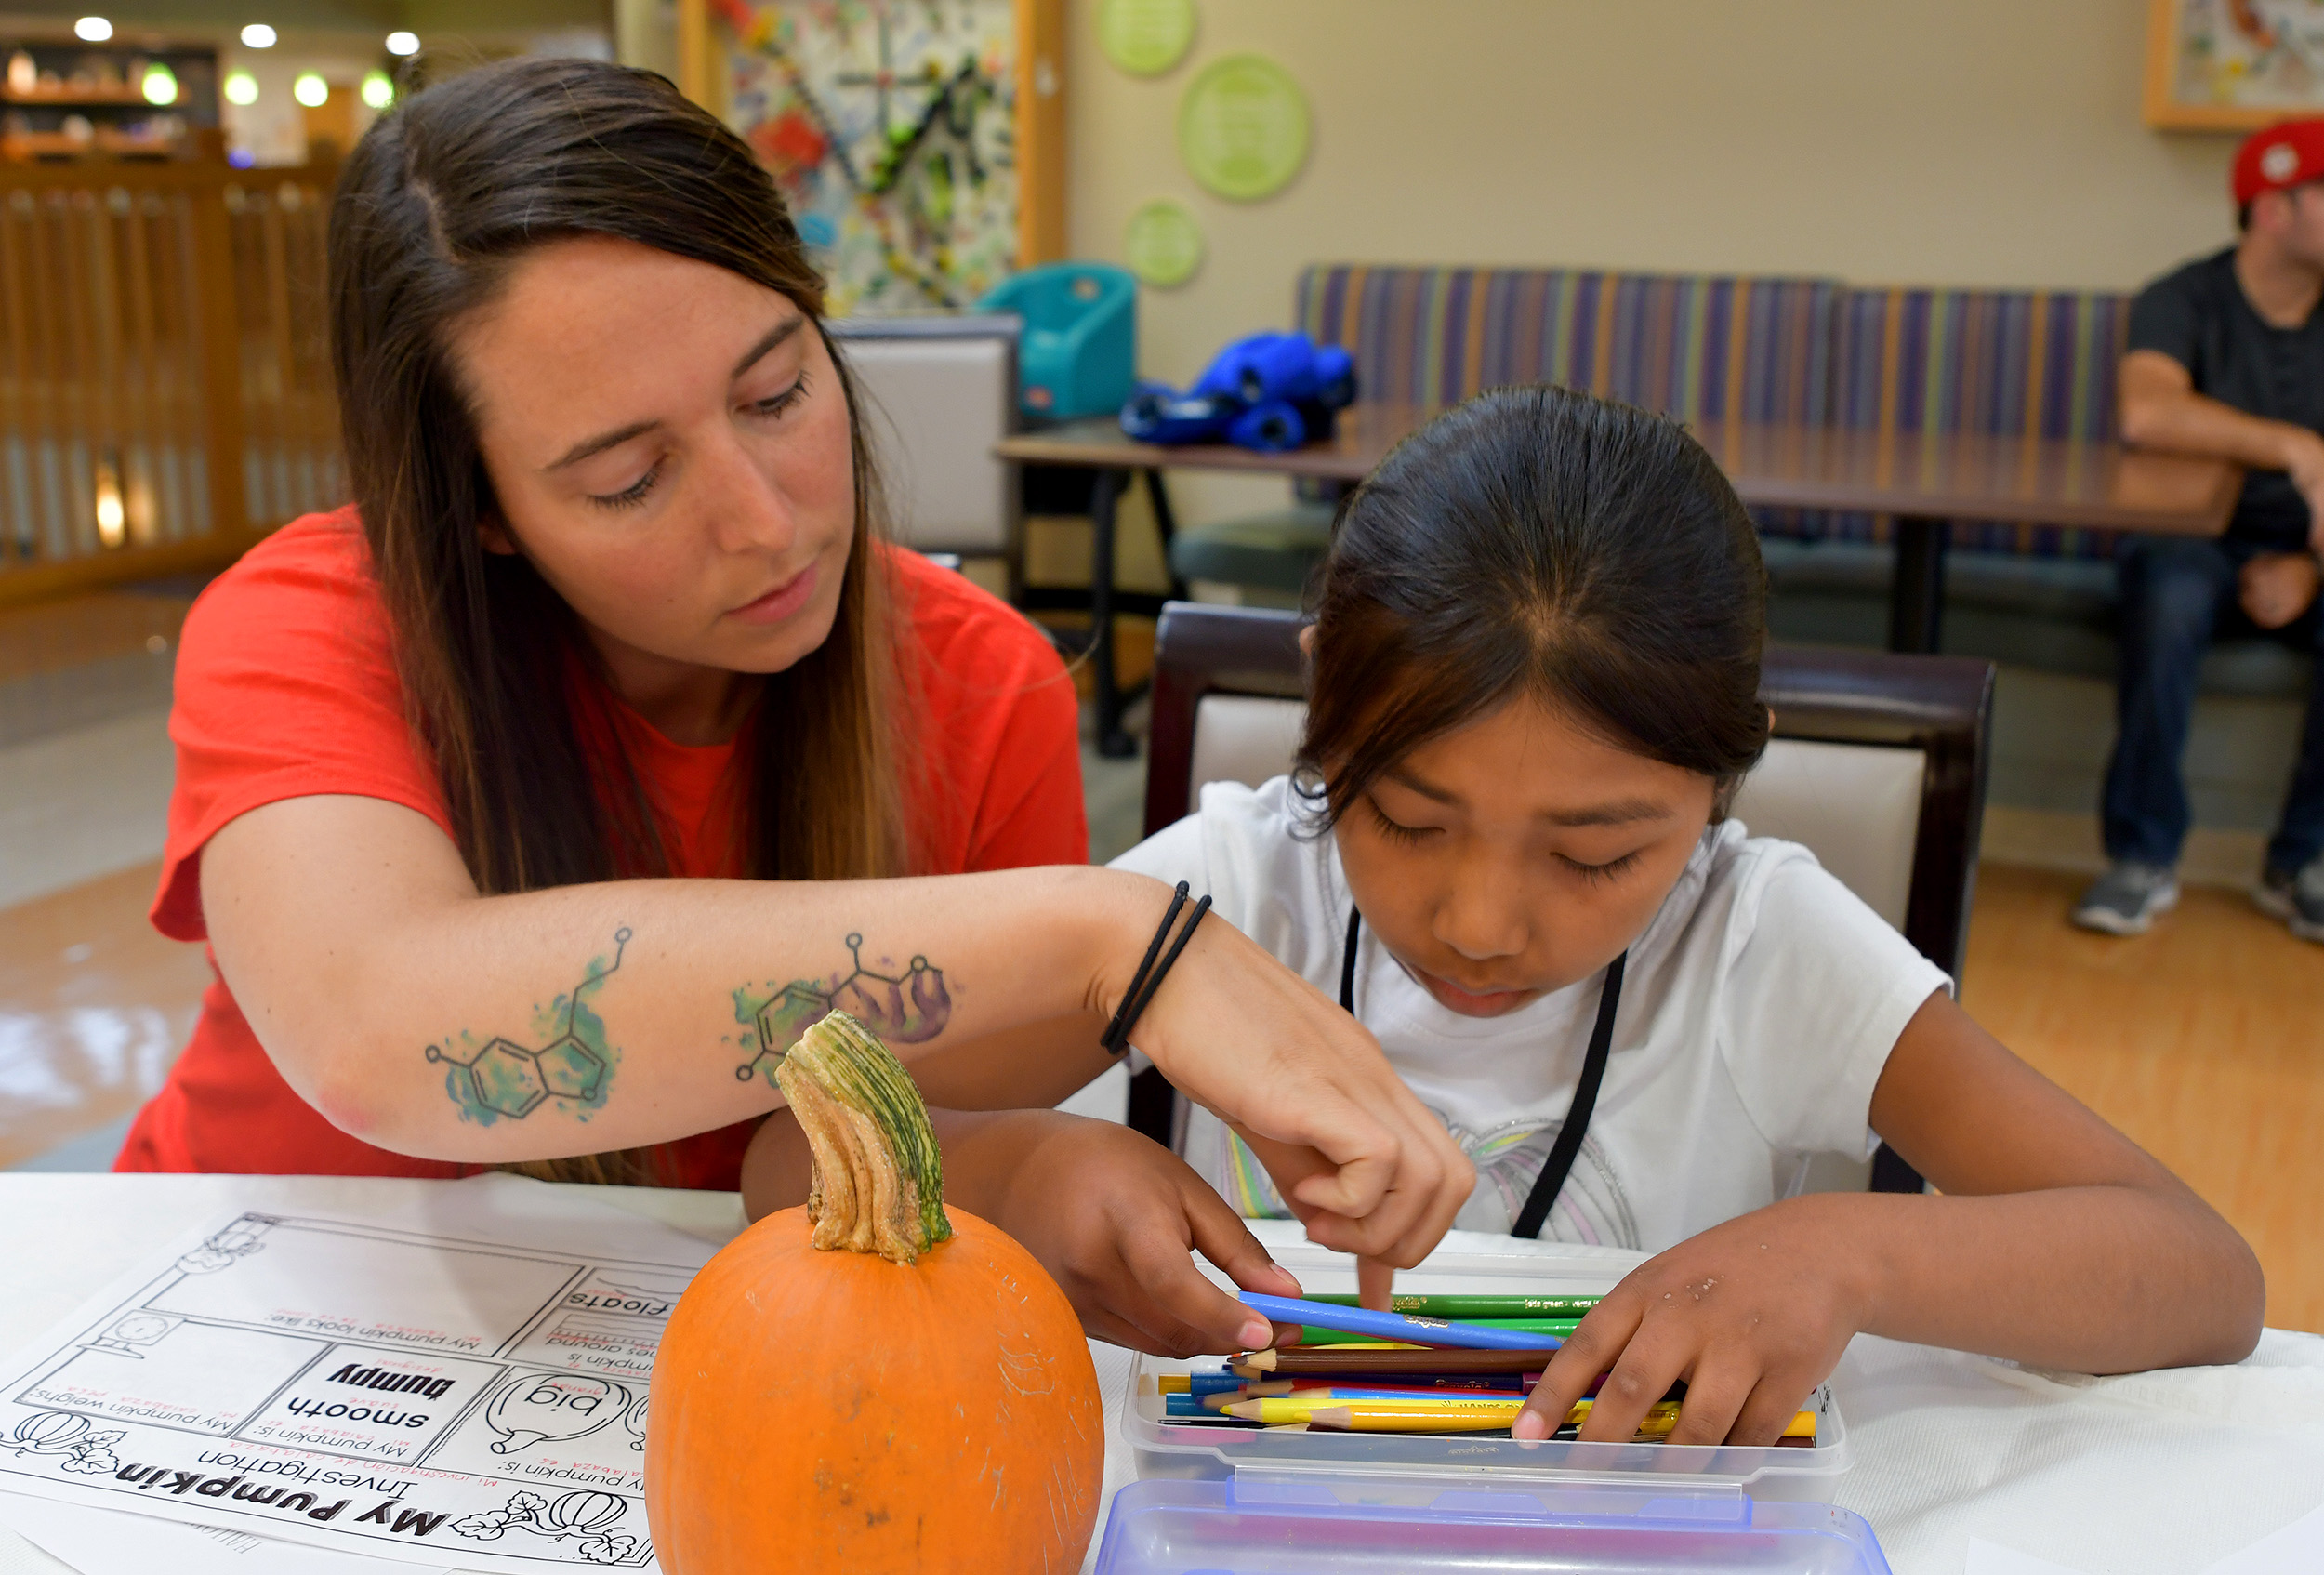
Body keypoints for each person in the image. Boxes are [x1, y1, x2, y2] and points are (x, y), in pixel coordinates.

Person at [120, 57, 1472, 1357]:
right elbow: (384, 1028)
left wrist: (1043, 1172)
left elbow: (834, 1152)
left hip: (685, 1360)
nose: (767, 522)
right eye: (627, 480)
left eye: (776, 393)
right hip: (254, 1315)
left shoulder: (974, 683)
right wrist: (1112, 931)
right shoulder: (313, 622)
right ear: (482, 513)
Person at [824, 386, 2264, 1443]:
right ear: (1323, 707)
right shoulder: (1227, 890)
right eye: (1403, 815)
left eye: (1595, 854)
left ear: (1723, 774)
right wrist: (1019, 1167)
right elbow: (790, 1155)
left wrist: (1851, 1248)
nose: (1483, 919)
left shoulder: (1759, 941)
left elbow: (2200, 1273)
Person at [2075, 118, 2324, 940]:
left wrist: (2309, 572)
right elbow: (2148, 412)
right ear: (2275, 210)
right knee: (2170, 591)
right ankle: (2141, 856)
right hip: (2192, 545)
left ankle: (2302, 862)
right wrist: (2292, 446)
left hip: (2306, 557)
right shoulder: (2182, 297)